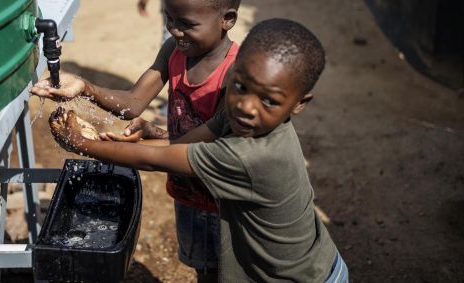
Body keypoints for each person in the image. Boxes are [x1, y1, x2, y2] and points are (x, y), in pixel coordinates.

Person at [48, 18, 349, 282]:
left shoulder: (254, 156)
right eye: (241, 86)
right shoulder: (243, 119)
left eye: (268, 100)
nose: (246, 106)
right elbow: (188, 143)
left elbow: (158, 160)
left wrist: (83, 143)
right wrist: (150, 133)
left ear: (299, 104)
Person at [32, 0, 242, 282]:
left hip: (225, 205)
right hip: (188, 194)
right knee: (203, 269)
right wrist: (84, 87)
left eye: (187, 24)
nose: (176, 31)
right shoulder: (173, 51)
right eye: (170, 19)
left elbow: (201, 152)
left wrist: (85, 143)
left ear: (227, 19)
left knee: (229, 273)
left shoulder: (236, 78)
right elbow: (132, 103)